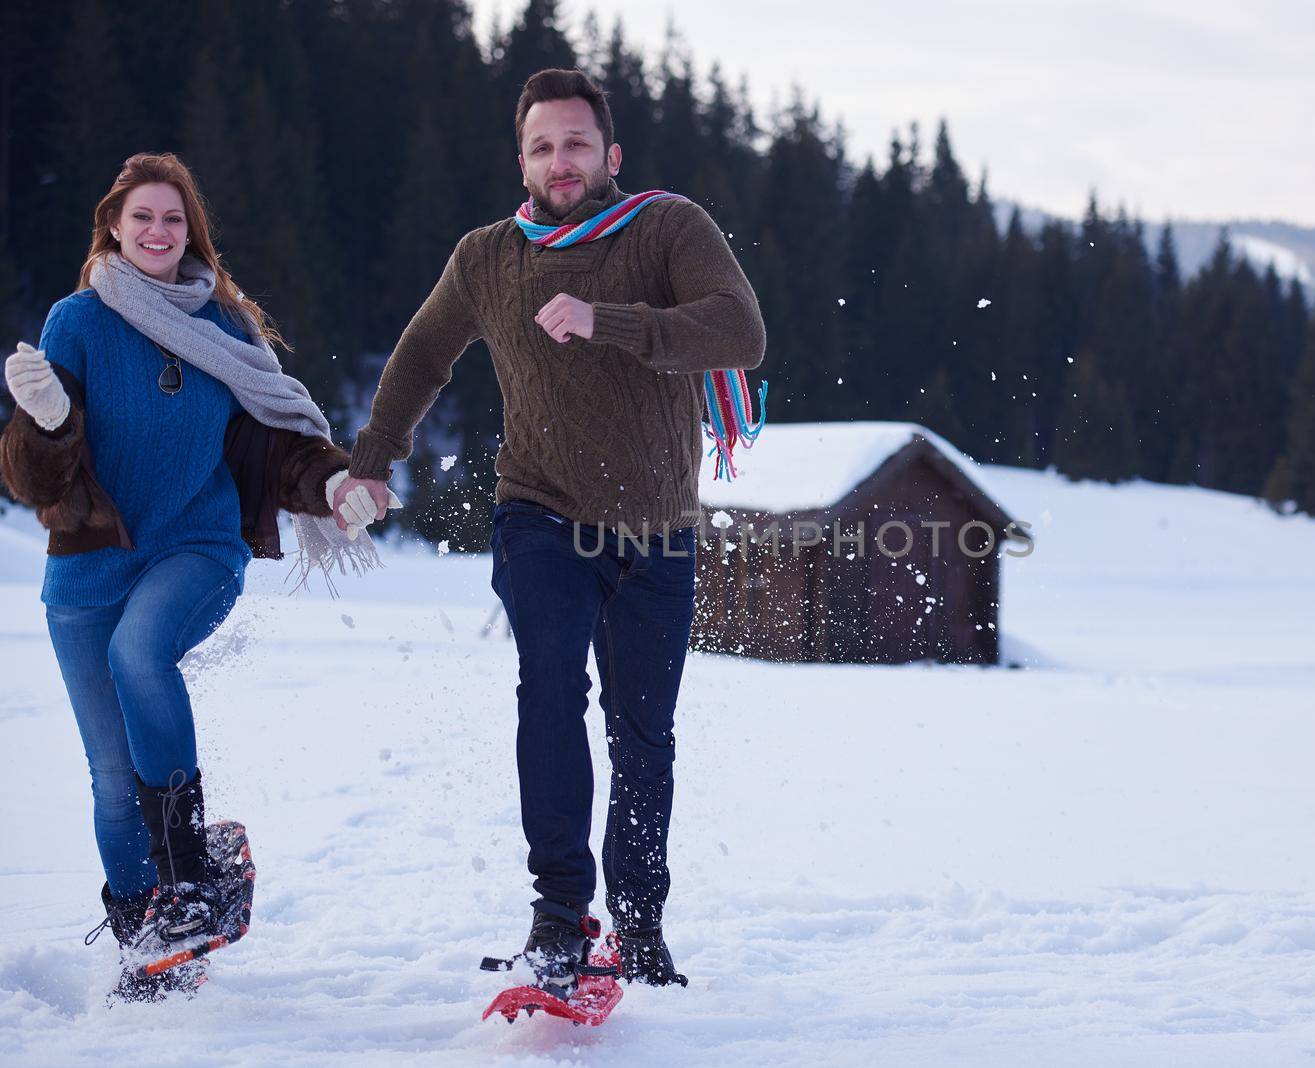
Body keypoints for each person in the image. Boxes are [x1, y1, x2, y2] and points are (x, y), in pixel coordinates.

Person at [333, 68, 764, 993]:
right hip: (539, 513)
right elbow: (421, 352)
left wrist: (608, 321)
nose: (559, 161)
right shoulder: (488, 256)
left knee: (643, 735)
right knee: (549, 690)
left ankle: (640, 923)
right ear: (520, 160)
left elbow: (738, 331)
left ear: (609, 155)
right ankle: (561, 915)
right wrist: (373, 457)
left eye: (575, 144)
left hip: (657, 527)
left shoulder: (666, 228)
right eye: (541, 146)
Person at [0, 152, 392, 1000]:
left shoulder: (223, 328)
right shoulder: (76, 322)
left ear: (192, 232)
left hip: (197, 547)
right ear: (112, 225)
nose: (157, 231)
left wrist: (330, 483)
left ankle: (186, 881)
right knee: (110, 780)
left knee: (141, 656)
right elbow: (34, 480)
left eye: (172, 219)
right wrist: (49, 421)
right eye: (141, 217)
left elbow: (278, 436)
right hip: (85, 573)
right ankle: (152, 944)